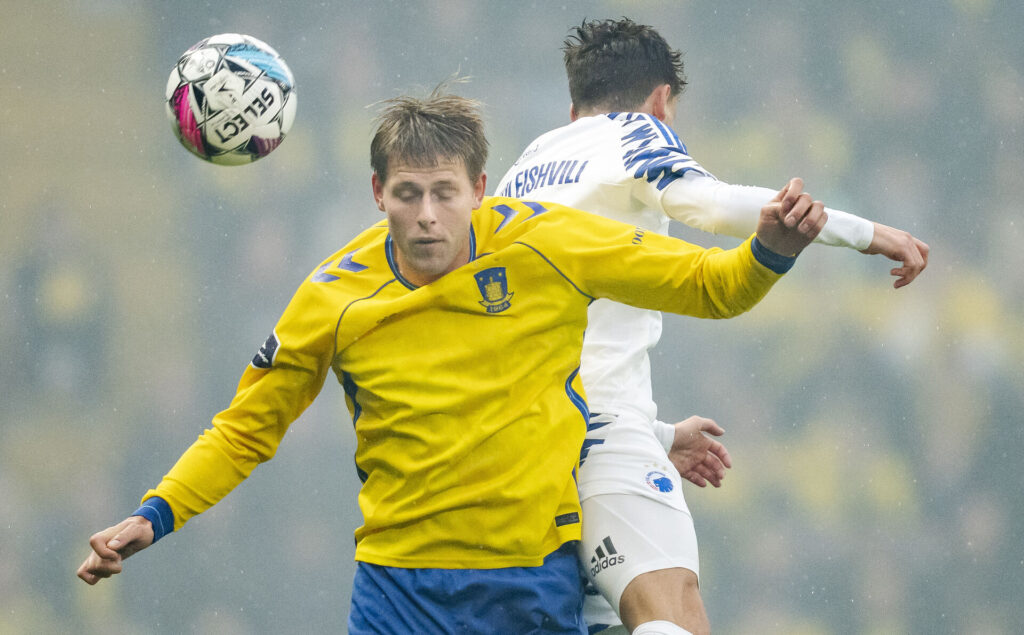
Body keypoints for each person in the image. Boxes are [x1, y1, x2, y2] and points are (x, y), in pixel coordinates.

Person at [77, 86, 828, 632]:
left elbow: (713, 286)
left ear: (478, 189)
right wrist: (156, 513)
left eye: (444, 192)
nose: (427, 215)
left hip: (529, 586)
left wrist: (772, 249)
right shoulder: (331, 297)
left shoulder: (547, 241)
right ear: (378, 192)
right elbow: (246, 429)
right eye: (408, 193)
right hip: (396, 591)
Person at [494, 18, 930, 635]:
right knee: (672, 618)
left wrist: (659, 430)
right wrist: (867, 233)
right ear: (661, 101)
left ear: (573, 105)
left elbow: (563, 331)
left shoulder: (524, 168)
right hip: (597, 432)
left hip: (515, 450)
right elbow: (713, 204)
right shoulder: (634, 131)